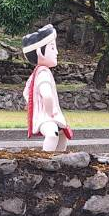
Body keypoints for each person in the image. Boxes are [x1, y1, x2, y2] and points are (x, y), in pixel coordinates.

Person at [22, 24, 71, 152]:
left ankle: (59, 158)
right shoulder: (43, 73)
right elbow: (47, 95)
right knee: (52, 134)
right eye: (52, 48)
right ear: (39, 52)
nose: (56, 52)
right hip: (47, 117)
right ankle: (46, 158)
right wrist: (49, 113)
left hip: (49, 116)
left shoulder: (37, 73)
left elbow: (26, 92)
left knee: (62, 135)